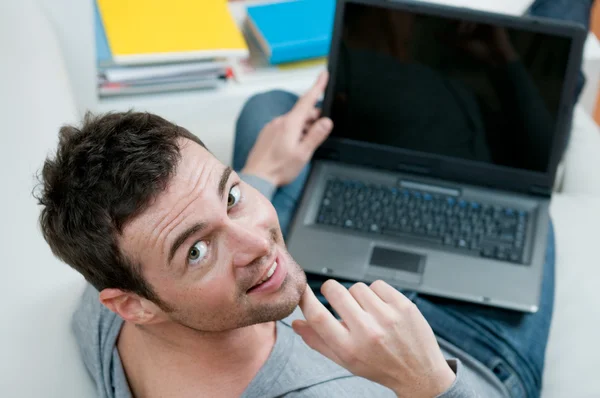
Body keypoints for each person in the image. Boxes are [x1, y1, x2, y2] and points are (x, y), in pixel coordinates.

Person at [35, 3, 594, 398]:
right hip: (461, 353)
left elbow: (191, 225)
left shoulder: (110, 295)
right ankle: (515, 60)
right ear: (133, 303)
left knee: (270, 111)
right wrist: (427, 383)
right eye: (197, 251)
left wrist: (260, 173)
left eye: (230, 196)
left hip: (330, 296)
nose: (261, 242)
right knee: (517, 151)